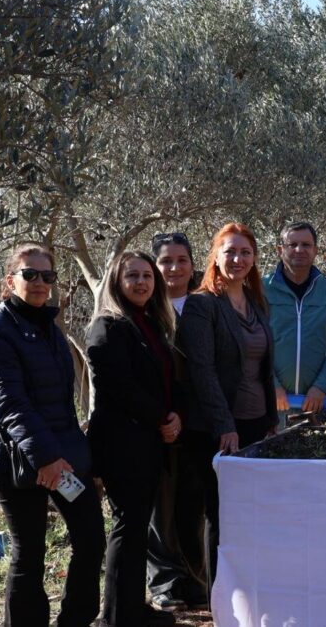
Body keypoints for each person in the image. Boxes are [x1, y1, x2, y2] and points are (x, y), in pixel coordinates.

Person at [0, 243, 105, 627]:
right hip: (17, 463)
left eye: (47, 276)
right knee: (29, 552)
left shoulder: (47, 326)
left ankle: (74, 621)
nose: (39, 282)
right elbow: (9, 403)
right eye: (29, 274)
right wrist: (46, 458)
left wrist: (78, 459)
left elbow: (61, 406)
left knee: (90, 538)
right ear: (10, 280)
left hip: (61, 459)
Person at [177, 223, 278, 589]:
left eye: (245, 252)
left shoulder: (255, 302)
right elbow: (201, 370)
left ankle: (245, 591)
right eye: (230, 251)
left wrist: (270, 417)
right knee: (219, 514)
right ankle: (218, 599)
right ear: (215, 257)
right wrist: (225, 425)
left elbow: (262, 367)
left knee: (248, 513)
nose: (237, 259)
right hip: (217, 428)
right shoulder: (202, 305)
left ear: (254, 259)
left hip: (254, 423)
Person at [87, 251, 184, 626]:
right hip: (120, 444)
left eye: (147, 276)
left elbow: (166, 381)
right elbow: (122, 387)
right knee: (128, 525)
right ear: (117, 281)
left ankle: (131, 608)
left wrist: (177, 415)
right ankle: (115, 616)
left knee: (137, 524)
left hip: (147, 441)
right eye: (133, 276)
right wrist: (162, 417)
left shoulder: (149, 323)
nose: (141, 282)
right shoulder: (107, 327)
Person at [148, 232, 208, 611]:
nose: (173, 268)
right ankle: (163, 584)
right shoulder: (142, 306)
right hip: (157, 423)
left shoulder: (206, 304)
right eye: (166, 261)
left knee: (193, 503)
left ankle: (195, 579)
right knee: (159, 506)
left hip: (200, 420)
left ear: (192, 263)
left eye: (181, 260)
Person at [265, 222, 326, 416]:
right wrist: (272, 385)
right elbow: (252, 345)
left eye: (306, 245)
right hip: (270, 402)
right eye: (292, 245)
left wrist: (321, 387)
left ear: (315, 250)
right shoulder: (261, 290)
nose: (299, 250)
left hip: (316, 403)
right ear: (280, 250)